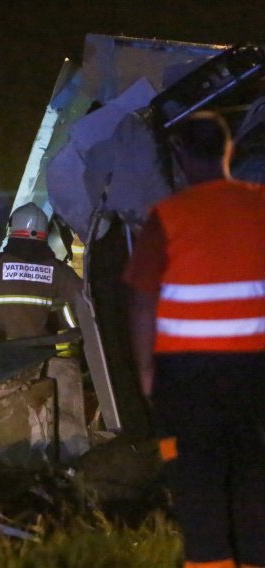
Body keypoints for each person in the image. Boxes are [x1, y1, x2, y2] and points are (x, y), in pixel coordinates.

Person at [123, 111, 265, 568]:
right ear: (229, 151)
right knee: (253, 480)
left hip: (187, 379)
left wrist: (147, 374)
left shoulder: (168, 216)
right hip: (254, 372)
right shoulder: (260, 205)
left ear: (180, 156)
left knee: (199, 485)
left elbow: (142, 300)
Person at [0, 202, 83, 342]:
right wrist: (56, 323)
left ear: (13, 230)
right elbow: (86, 304)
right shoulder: (59, 270)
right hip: (42, 351)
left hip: (0, 353)